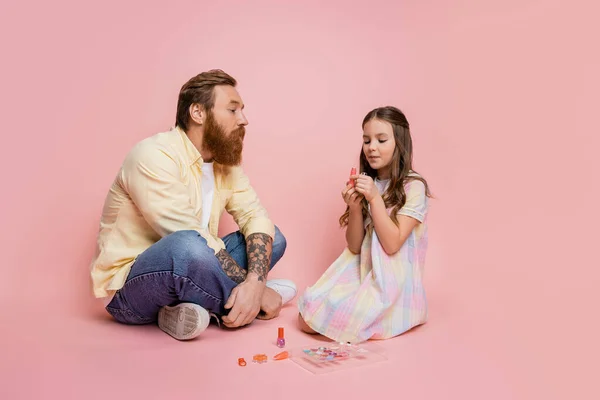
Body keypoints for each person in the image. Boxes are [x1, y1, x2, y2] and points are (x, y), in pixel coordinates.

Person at [90, 69, 297, 340]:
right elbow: (191, 239)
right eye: (232, 110)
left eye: (242, 111)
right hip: (130, 290)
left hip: (195, 265)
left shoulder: (224, 163)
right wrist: (260, 289)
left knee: (273, 237)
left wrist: (255, 283)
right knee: (187, 245)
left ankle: (188, 309)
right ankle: (246, 301)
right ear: (198, 113)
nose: (243, 120)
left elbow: (255, 216)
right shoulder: (153, 154)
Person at [297, 106, 432, 343]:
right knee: (306, 316)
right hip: (363, 269)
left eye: (381, 140)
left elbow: (392, 244)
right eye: (367, 140)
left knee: (334, 320)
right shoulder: (371, 182)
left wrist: (374, 199)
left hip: (392, 280)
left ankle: (392, 315)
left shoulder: (414, 186)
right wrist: (355, 208)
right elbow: (356, 247)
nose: (372, 147)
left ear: (400, 142)